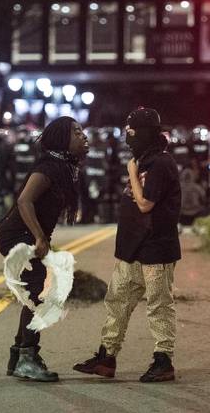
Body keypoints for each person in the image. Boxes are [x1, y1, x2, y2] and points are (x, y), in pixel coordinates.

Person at [74, 107, 181, 383]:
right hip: (133, 248)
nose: (127, 138)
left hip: (156, 248)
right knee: (117, 300)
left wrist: (132, 171)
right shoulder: (144, 160)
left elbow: (145, 204)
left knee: (159, 305)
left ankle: (163, 361)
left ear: (144, 133)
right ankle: (106, 357)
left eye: (131, 133)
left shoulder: (160, 163)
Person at [0, 116, 88, 382]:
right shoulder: (49, 168)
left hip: (25, 234)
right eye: (77, 132)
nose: (84, 137)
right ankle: (27, 356)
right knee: (36, 292)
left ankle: (19, 356)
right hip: (18, 235)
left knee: (35, 291)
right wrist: (39, 237)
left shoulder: (64, 166)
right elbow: (24, 201)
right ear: (62, 140)